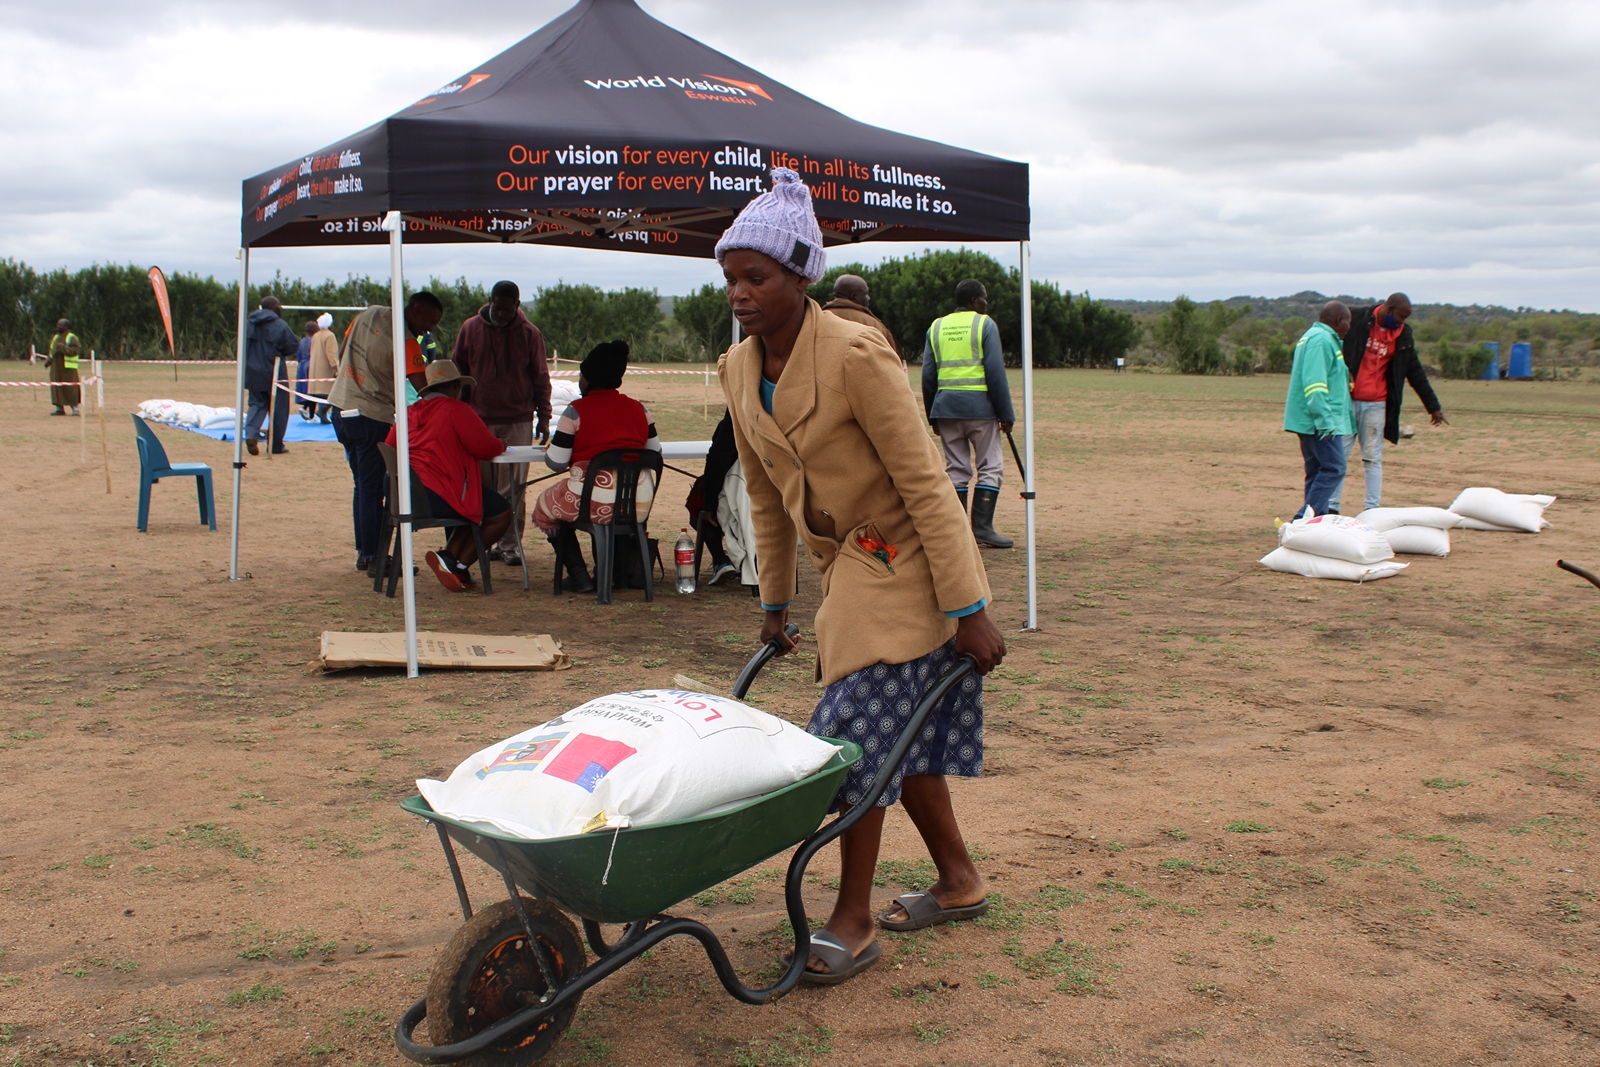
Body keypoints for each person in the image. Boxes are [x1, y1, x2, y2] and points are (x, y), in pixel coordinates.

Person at [717, 168, 1006, 986]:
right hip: (848, 564)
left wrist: (970, 609)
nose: (740, 293)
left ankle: (852, 917)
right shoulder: (737, 370)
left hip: (906, 556)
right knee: (897, 736)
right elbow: (766, 499)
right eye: (731, 277)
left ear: (800, 275)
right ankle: (959, 880)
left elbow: (925, 484)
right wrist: (774, 603)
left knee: (851, 732)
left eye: (757, 277)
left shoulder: (855, 352)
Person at [532, 341, 660, 593]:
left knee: (544, 508)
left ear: (588, 379)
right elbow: (654, 453)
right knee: (611, 508)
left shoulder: (575, 411)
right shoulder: (639, 408)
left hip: (592, 500)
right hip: (636, 502)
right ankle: (612, 575)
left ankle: (578, 574)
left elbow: (556, 462)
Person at [326, 292, 441, 573]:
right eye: (429, 322)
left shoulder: (369, 314)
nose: (429, 330)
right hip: (371, 416)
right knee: (373, 488)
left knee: (362, 486)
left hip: (341, 407)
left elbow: (344, 350)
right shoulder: (407, 342)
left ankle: (364, 552)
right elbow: (423, 387)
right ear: (416, 308)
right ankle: (374, 556)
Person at [450, 280, 552, 569]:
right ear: (490, 301)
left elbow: (540, 377)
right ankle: (483, 541)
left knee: (514, 487)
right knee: (481, 486)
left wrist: (544, 417)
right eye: (498, 308)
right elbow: (459, 371)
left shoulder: (530, 334)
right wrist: (458, 414)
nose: (503, 314)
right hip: (478, 419)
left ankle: (510, 545)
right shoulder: (470, 329)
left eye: (508, 310)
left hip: (518, 420)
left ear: (517, 306)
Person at [384, 361, 512, 592]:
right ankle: (459, 564)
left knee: (475, 505)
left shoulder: (407, 413)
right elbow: (486, 448)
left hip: (403, 494)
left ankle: (450, 559)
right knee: (500, 512)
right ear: (455, 387)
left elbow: (389, 448)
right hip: (439, 493)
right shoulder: (457, 409)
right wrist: (501, 444)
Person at [921, 279, 1017, 548]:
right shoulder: (984, 324)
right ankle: (983, 529)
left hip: (946, 409)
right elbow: (995, 371)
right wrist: (1006, 413)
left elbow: (928, 375)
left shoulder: (936, 326)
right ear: (975, 300)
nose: (986, 303)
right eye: (984, 298)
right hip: (981, 410)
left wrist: (933, 415)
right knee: (990, 466)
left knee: (956, 469)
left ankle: (957, 531)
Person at [1333, 293, 1449, 513]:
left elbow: (1415, 371)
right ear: (1388, 307)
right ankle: (1331, 508)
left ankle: (1372, 510)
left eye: (1405, 319)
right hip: (1346, 402)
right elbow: (1333, 345)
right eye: (1399, 316)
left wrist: (1433, 406)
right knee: (1339, 457)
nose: (1401, 322)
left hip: (1377, 404)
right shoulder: (1356, 317)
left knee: (1372, 459)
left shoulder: (1403, 335)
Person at [1284, 300, 1354, 518]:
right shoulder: (1321, 340)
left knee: (1316, 472)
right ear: (1339, 320)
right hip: (1318, 421)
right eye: (1348, 322)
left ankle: (1316, 523)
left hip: (1311, 420)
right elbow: (1315, 385)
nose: (1349, 328)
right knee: (1335, 468)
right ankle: (1302, 519)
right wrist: (1325, 421)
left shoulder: (1317, 338)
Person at [683, 410, 741, 587]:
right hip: (778, 498)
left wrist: (710, 505)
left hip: (736, 496)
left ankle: (720, 560)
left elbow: (716, 463)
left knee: (700, 506)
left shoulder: (731, 426)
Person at [243, 296, 300, 456]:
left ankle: (251, 434)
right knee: (279, 409)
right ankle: (275, 445)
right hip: (274, 371)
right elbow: (292, 345)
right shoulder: (280, 325)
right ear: (274, 307)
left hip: (253, 371)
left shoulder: (249, 323)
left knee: (256, 404)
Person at [822, 274, 897, 354]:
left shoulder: (817, 318)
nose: (869, 298)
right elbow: (890, 361)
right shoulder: (874, 325)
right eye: (866, 294)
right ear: (854, 297)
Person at [45, 319, 81, 416]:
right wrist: (48, 361)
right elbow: (51, 351)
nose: (58, 327)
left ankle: (75, 408)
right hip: (56, 368)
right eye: (57, 325)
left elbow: (75, 351)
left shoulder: (72, 338)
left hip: (68, 369)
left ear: (67, 327)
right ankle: (59, 408)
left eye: (60, 325)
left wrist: (63, 348)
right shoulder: (55, 337)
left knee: (70, 389)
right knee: (56, 388)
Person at [308, 312, 338, 422]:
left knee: (320, 393)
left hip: (315, 369)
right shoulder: (330, 336)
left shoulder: (316, 335)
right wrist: (335, 368)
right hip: (326, 369)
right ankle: (323, 411)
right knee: (334, 393)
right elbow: (331, 353)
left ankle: (323, 415)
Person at [295, 320, 317, 420]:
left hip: (302, 366)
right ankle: (310, 413)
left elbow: (298, 356)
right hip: (311, 365)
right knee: (313, 390)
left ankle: (305, 408)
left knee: (307, 390)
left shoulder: (302, 341)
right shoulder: (315, 340)